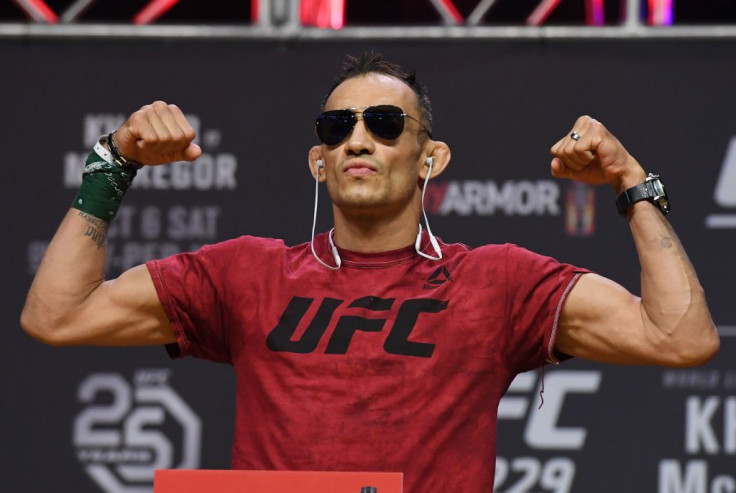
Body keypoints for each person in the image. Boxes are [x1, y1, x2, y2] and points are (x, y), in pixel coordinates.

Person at [21, 52, 719, 492]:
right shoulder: (246, 272)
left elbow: (680, 336)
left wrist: (631, 181)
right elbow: (57, 315)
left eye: (386, 123)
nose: (358, 138)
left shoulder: (497, 282)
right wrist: (114, 162)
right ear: (317, 161)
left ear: (430, 158)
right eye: (336, 128)